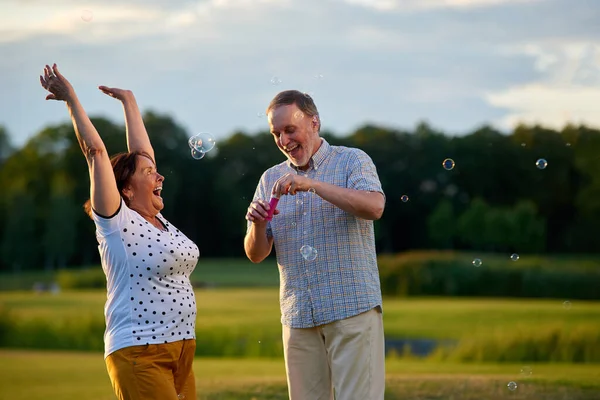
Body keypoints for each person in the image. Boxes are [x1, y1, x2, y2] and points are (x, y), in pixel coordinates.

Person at [39, 64, 199, 400]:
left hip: (182, 350)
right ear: (124, 188)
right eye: (150, 174)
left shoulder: (164, 224)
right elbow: (94, 152)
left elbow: (144, 156)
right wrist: (71, 100)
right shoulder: (116, 222)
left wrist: (130, 102)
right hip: (140, 352)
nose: (160, 177)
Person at [244, 90, 386, 399]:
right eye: (276, 133)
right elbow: (256, 254)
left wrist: (315, 185)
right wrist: (256, 225)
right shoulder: (270, 179)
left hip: (351, 309)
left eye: (290, 129)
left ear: (314, 122)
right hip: (297, 316)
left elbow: (374, 207)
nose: (283, 140)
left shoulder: (352, 160)